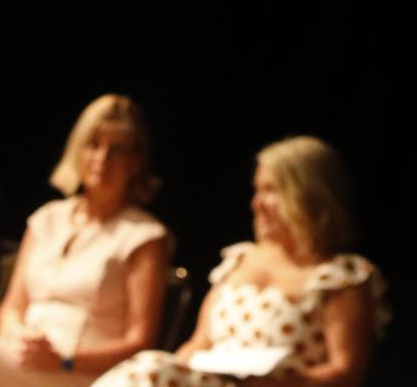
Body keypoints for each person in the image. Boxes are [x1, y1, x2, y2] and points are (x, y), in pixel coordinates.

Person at [0, 94, 169, 387]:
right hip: (24, 360)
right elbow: (11, 306)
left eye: (117, 150)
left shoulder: (144, 236)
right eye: (93, 145)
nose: (102, 159)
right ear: (77, 150)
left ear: (136, 162)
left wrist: (67, 358)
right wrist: (17, 335)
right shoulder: (47, 219)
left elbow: (140, 341)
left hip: (83, 372)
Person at [94, 136, 388, 387]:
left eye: (271, 190)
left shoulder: (340, 277)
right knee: (151, 369)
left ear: (308, 194)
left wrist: (282, 383)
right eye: (257, 190)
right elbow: (199, 344)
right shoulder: (239, 261)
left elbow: (346, 372)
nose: (256, 203)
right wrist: (176, 371)